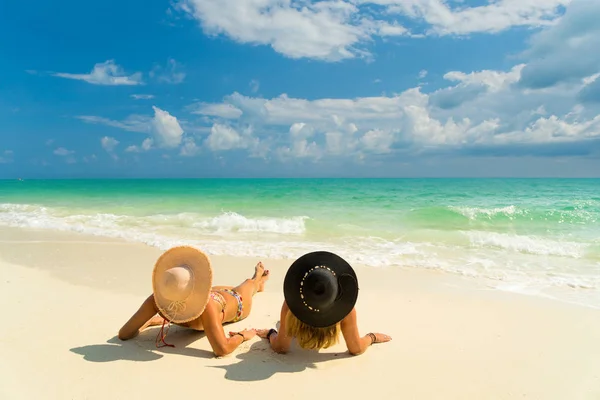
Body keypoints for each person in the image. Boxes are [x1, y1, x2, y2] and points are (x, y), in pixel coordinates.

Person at [118, 246, 268, 357]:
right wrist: (242, 336)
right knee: (244, 287)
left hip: (235, 302)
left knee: (248, 284)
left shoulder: (158, 301)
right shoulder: (203, 304)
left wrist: (147, 320)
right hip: (221, 298)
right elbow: (222, 349)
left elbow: (125, 333)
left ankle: (257, 278)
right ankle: (256, 281)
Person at [256, 251, 391, 355]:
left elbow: (281, 347)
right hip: (328, 335)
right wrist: (372, 337)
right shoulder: (345, 309)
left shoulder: (291, 305)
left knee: (282, 324)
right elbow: (356, 348)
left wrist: (271, 334)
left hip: (300, 332)